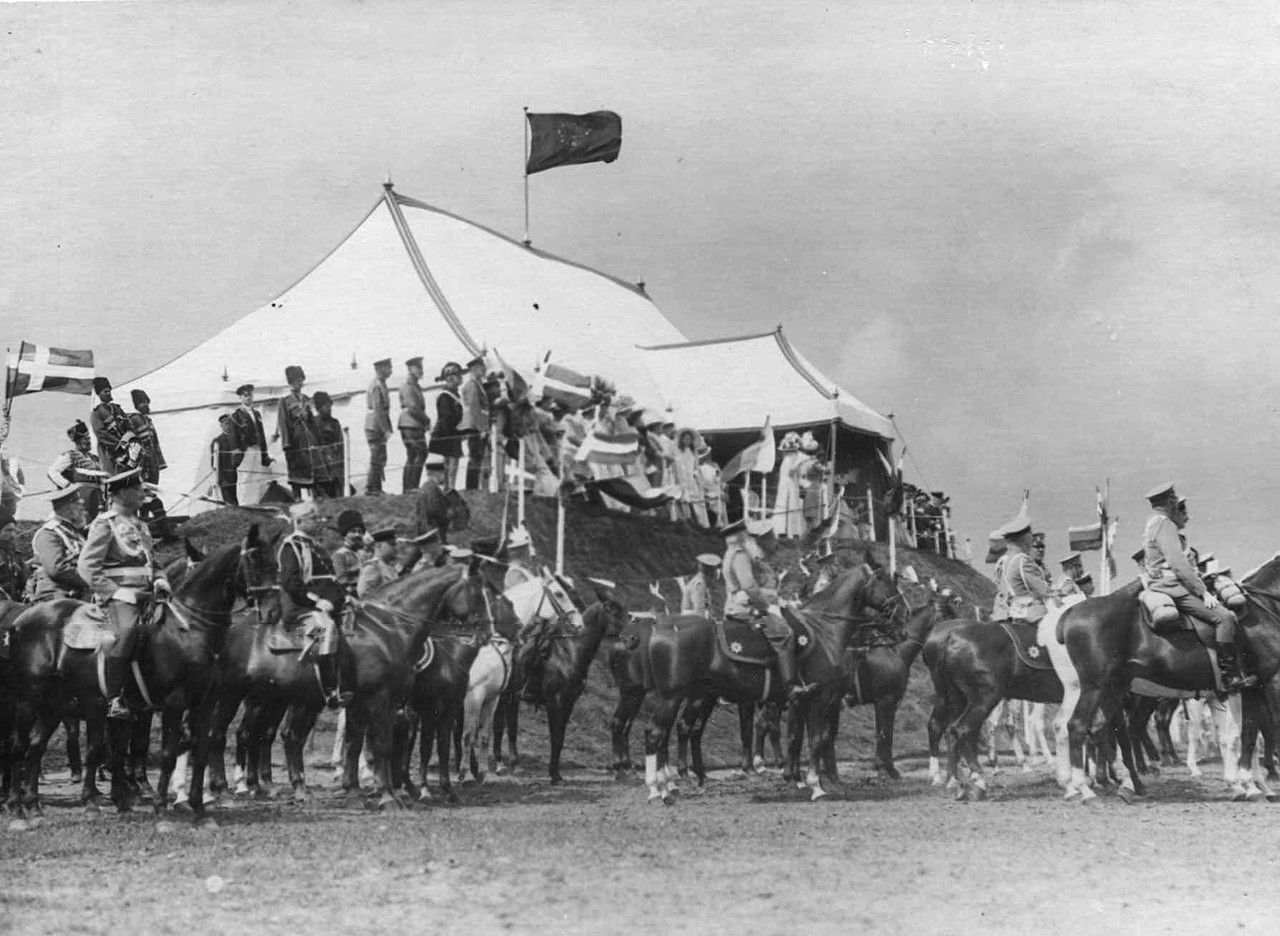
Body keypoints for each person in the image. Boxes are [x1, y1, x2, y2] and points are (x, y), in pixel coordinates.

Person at [77, 468, 172, 719]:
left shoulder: (140, 525)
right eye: (137, 489)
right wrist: (116, 593)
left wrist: (161, 580)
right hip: (119, 600)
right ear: (120, 494)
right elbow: (87, 567)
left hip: (147, 595)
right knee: (127, 632)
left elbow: (152, 561)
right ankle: (114, 697)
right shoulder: (105, 523)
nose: (143, 493)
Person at [1142, 483, 1253, 690]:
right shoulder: (1165, 525)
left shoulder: (1152, 524)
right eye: (1174, 499)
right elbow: (1178, 564)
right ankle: (1230, 676)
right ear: (1167, 502)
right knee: (1225, 618)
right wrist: (1203, 592)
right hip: (1172, 587)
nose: (1176, 502)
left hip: (1163, 584)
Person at [722, 516, 805, 698]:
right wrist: (768, 607)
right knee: (784, 633)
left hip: (747, 603)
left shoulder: (737, 554)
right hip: (745, 607)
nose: (748, 537)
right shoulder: (740, 555)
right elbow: (749, 586)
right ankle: (789, 685)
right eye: (745, 534)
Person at [277, 500, 348, 707]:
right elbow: (291, 583)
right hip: (301, 608)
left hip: (328, 605)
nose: (318, 522)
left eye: (318, 518)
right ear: (299, 521)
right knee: (326, 629)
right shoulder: (292, 546)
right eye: (313, 518)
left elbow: (331, 581)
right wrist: (317, 602)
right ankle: (328, 689)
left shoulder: (317, 548)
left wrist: (346, 597)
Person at [125, 389, 177, 543]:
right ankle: (154, 534)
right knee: (146, 500)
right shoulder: (133, 420)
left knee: (148, 499)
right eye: (142, 402)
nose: (145, 405)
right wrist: (135, 467)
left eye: (146, 401)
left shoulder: (149, 421)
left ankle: (148, 534)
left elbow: (156, 444)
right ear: (136, 405)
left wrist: (160, 463)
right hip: (142, 466)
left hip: (153, 465)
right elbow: (132, 443)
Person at [30, 485, 90, 602]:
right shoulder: (49, 534)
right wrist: (91, 579)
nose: (84, 510)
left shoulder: (73, 531)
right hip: (56, 596)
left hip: (77, 593)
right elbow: (56, 569)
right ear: (68, 508)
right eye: (79, 506)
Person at [998, 518, 1054, 625]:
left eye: (1042, 547)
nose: (1040, 550)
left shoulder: (1009, 560)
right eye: (1036, 547)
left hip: (1019, 611)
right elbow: (1044, 591)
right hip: (1031, 614)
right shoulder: (1024, 562)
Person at [275, 365, 318, 499]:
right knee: (296, 472)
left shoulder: (306, 399)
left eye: (301, 380)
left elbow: (313, 420)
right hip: (295, 442)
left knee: (312, 471)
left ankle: (314, 498)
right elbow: (283, 423)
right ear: (291, 382)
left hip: (308, 442)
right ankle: (297, 498)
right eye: (298, 380)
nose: (301, 383)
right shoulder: (285, 401)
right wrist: (286, 443)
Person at [48, 420, 105, 519]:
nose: (88, 441)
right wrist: (68, 486)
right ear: (78, 441)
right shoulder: (70, 455)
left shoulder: (94, 458)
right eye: (85, 439)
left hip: (96, 499)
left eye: (89, 438)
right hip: (80, 498)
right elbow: (52, 472)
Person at [229, 384, 272, 502]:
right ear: (240, 398)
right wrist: (237, 454)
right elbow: (233, 437)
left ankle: (255, 502)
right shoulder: (236, 416)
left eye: (250, 395)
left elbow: (261, 433)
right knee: (245, 477)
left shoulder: (257, 414)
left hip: (257, 449)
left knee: (257, 476)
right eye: (245, 395)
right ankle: (244, 503)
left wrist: (265, 452)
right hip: (246, 451)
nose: (248, 397)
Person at [429, 361, 464, 490]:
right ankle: (448, 489)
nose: (460, 378)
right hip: (445, 434)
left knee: (452, 465)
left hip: (452, 434)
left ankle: (450, 488)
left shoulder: (455, 395)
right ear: (450, 378)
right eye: (457, 375)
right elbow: (446, 418)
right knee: (447, 466)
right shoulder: (445, 396)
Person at [397, 356, 430, 492]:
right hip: (411, 424)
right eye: (418, 368)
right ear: (410, 369)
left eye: (421, 367)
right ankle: (412, 486)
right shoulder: (408, 387)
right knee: (420, 453)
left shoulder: (415, 386)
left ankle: (409, 487)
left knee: (413, 455)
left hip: (413, 424)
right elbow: (413, 408)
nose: (421, 371)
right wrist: (426, 420)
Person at [459, 355, 490, 491]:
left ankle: (473, 486)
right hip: (475, 426)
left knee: (477, 456)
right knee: (475, 456)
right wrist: (481, 427)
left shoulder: (477, 383)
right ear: (475, 368)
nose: (484, 370)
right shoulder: (472, 384)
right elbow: (474, 406)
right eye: (482, 368)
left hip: (477, 425)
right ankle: (471, 487)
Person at [88, 377, 131, 474]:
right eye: (105, 392)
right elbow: (100, 433)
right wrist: (118, 444)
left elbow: (128, 426)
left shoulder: (117, 409)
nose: (108, 393)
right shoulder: (96, 413)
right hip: (108, 451)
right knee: (113, 476)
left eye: (109, 391)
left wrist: (128, 440)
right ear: (99, 394)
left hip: (125, 448)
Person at [364, 359, 393, 495]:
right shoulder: (376, 386)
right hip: (374, 426)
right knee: (376, 456)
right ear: (380, 369)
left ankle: (376, 487)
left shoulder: (382, 384)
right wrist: (385, 429)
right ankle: (372, 488)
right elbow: (378, 409)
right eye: (388, 367)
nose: (391, 370)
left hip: (377, 425)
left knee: (380, 456)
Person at [311, 391, 345, 498]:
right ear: (319, 408)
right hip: (319, 465)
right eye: (326, 406)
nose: (329, 408)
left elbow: (340, 445)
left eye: (330, 405)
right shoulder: (312, 423)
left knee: (337, 495)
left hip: (333, 464)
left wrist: (341, 466)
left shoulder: (334, 423)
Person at [672, 430, 708, 527]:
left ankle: (701, 523)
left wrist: (697, 478)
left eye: (689, 439)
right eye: (685, 438)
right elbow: (676, 465)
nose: (687, 441)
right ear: (681, 439)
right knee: (684, 501)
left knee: (696, 501)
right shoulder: (677, 451)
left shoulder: (693, 451)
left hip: (691, 479)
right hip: (681, 478)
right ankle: (687, 521)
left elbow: (695, 467)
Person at [330, 509, 367, 596]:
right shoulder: (339, 555)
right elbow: (342, 581)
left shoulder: (364, 553)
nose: (357, 535)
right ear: (345, 534)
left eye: (360, 532)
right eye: (353, 531)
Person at [357, 527, 400, 598]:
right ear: (379, 546)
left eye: (396, 544)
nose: (396, 547)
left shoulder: (390, 566)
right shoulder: (372, 567)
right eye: (392, 544)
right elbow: (364, 598)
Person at [212, 414, 242, 505]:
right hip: (225, 477)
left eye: (230, 424)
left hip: (235, 475)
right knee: (229, 501)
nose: (228, 426)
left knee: (236, 500)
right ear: (221, 426)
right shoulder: (218, 441)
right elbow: (215, 464)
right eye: (226, 424)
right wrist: (221, 479)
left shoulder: (237, 440)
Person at [698, 446, 723, 528]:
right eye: (708, 454)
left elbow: (720, 477)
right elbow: (703, 481)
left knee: (721, 507)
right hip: (709, 492)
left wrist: (723, 487)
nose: (709, 455)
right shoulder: (701, 468)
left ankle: (720, 524)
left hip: (718, 489)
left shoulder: (715, 465)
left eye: (709, 453)